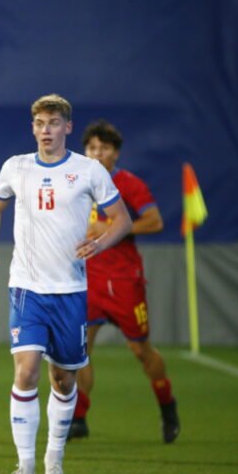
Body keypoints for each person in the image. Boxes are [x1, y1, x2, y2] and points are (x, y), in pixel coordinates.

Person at [0, 94, 133, 474]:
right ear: (32, 128)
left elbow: (122, 220)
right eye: (39, 123)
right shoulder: (17, 167)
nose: (45, 130)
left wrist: (100, 243)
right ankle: (25, 468)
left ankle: (54, 462)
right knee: (26, 370)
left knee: (63, 379)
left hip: (69, 291)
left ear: (67, 127)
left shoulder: (89, 171)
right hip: (26, 288)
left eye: (53, 123)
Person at [70, 120, 179, 443]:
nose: (97, 153)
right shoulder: (77, 182)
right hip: (87, 280)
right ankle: (79, 419)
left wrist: (113, 229)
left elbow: (154, 221)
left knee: (140, 349)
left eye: (104, 148)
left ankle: (167, 405)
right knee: (80, 351)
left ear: (115, 153)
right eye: (92, 148)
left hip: (124, 283)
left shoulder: (128, 184)